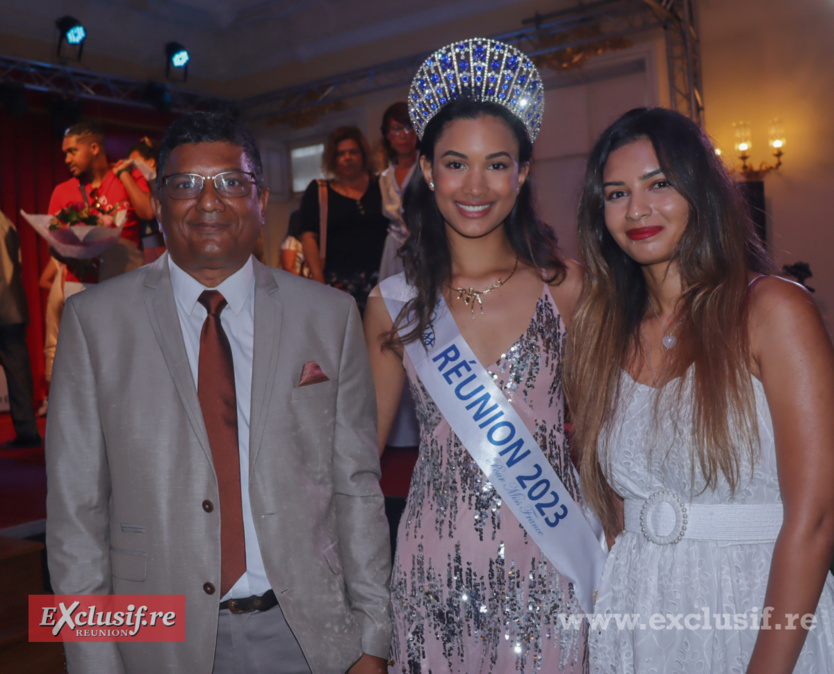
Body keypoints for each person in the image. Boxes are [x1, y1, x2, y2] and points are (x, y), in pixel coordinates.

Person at [46, 112, 392, 674]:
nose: (209, 202)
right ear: (159, 204)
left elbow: (356, 486)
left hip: (309, 631)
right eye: (185, 184)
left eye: (231, 182)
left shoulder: (329, 316)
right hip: (158, 637)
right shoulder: (95, 324)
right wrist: (93, 660)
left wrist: (373, 635)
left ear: (262, 200)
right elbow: (75, 515)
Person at [364, 38, 606, 673]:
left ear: (522, 173)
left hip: (551, 564)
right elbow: (358, 464)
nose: (476, 186)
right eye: (455, 163)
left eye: (496, 164)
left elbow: (603, 439)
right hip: (432, 572)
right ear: (427, 169)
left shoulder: (568, 289)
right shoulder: (393, 303)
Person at [564, 107, 834, 673]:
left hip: (759, 614)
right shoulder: (602, 334)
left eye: (659, 184)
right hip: (641, 622)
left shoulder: (771, 310)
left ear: (700, 191)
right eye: (616, 194)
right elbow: (615, 516)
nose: (636, 209)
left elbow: (815, 519)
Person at [48, 121, 151, 291]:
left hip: (125, 283)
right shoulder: (62, 191)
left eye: (72, 151)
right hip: (81, 286)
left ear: (94, 148)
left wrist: (123, 175)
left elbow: (148, 212)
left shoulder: (128, 175)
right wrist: (74, 258)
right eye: (65, 154)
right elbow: (52, 245)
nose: (67, 160)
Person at [299, 126, 388, 314]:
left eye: (353, 152)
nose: (347, 158)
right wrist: (319, 282)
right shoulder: (319, 190)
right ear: (332, 159)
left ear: (363, 154)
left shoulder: (382, 185)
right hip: (338, 287)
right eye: (341, 153)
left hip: (383, 280)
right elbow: (308, 237)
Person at [0, 210, 41, 448]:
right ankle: (28, 431)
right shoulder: (7, 222)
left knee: (18, 373)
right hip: (12, 306)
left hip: (6, 304)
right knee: (18, 374)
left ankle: (27, 431)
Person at [377, 102, 419, 281]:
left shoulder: (429, 167)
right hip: (394, 247)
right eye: (396, 128)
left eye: (409, 127)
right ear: (388, 135)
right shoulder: (385, 177)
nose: (403, 135)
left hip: (426, 242)